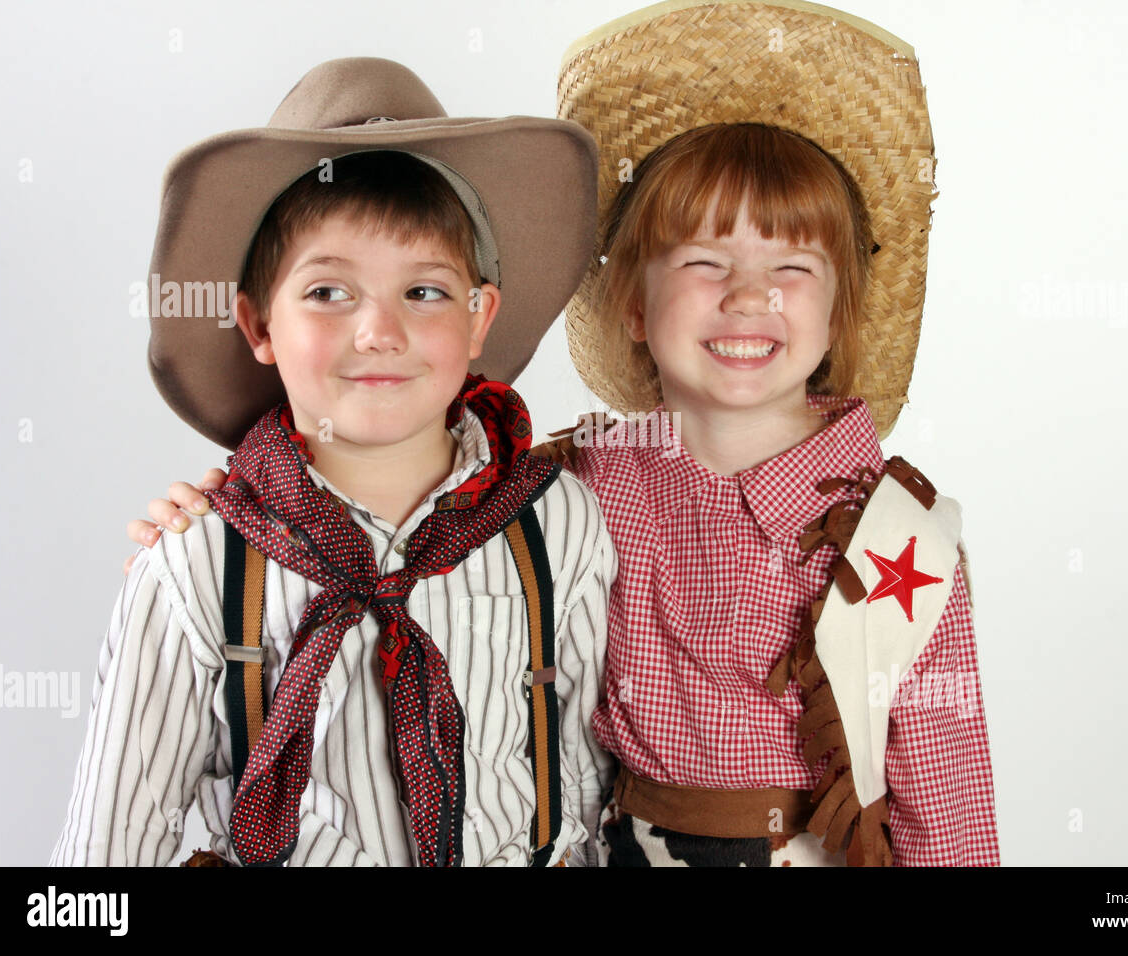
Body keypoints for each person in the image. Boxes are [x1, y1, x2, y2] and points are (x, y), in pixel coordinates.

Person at [130, 1, 1001, 866]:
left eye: (792, 268)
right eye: (704, 261)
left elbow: (951, 815)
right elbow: (410, 475)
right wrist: (240, 514)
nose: (750, 297)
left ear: (839, 308)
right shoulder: (575, 482)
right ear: (632, 301)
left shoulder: (894, 541)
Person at [54, 57, 615, 867]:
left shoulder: (558, 523)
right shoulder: (195, 562)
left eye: (423, 292)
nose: (378, 333)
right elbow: (103, 857)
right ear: (257, 324)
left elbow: (585, 784)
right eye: (328, 293)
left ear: (480, 317)